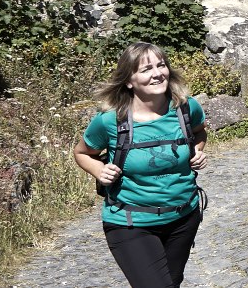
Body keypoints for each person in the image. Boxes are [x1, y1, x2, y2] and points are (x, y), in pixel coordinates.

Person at [73, 42, 208, 288]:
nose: (157, 73)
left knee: (171, 282)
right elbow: (82, 153)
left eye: (161, 65)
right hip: (130, 222)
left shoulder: (186, 108)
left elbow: (199, 133)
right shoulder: (110, 121)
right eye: (146, 69)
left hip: (183, 217)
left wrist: (198, 150)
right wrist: (99, 170)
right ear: (129, 80)